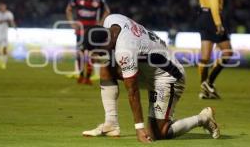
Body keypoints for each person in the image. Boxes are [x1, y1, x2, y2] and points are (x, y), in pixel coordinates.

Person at [81, 14, 220, 143]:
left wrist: (139, 128)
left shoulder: (125, 49)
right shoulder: (112, 19)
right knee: (106, 68)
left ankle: (203, 119)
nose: (98, 55)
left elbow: (133, 91)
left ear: (106, 41)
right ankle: (111, 124)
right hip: (150, 72)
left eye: (99, 51)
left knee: (159, 133)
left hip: (169, 77)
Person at [197, 0, 233, 99]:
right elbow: (213, 1)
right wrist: (218, 23)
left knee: (205, 57)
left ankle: (204, 89)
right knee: (227, 52)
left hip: (202, 16)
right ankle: (209, 83)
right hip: (212, 16)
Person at [65, 0, 110, 84]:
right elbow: (68, 10)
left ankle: (88, 77)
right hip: (80, 31)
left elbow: (107, 11)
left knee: (92, 54)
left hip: (92, 32)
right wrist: (72, 23)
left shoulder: (99, 1)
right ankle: (81, 75)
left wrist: (101, 23)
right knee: (80, 53)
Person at [0, 1, 16, 69]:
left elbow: (12, 22)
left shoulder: (9, 13)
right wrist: (3, 21)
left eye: (2, 6)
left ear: (5, 6)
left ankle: (4, 63)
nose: (1, 7)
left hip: (5, 33)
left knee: (5, 48)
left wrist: (15, 27)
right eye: (0, 6)